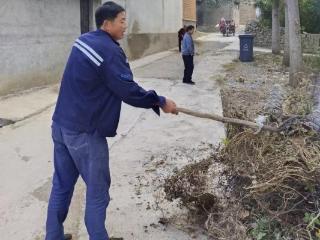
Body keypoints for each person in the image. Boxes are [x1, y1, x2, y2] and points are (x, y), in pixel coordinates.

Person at [45, 2, 178, 240]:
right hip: (85, 133)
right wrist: (160, 101)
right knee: (98, 193)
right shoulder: (108, 50)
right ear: (107, 23)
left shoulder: (83, 40)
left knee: (62, 186)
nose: (125, 26)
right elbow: (127, 90)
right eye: (122, 20)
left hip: (61, 125)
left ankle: (52, 237)